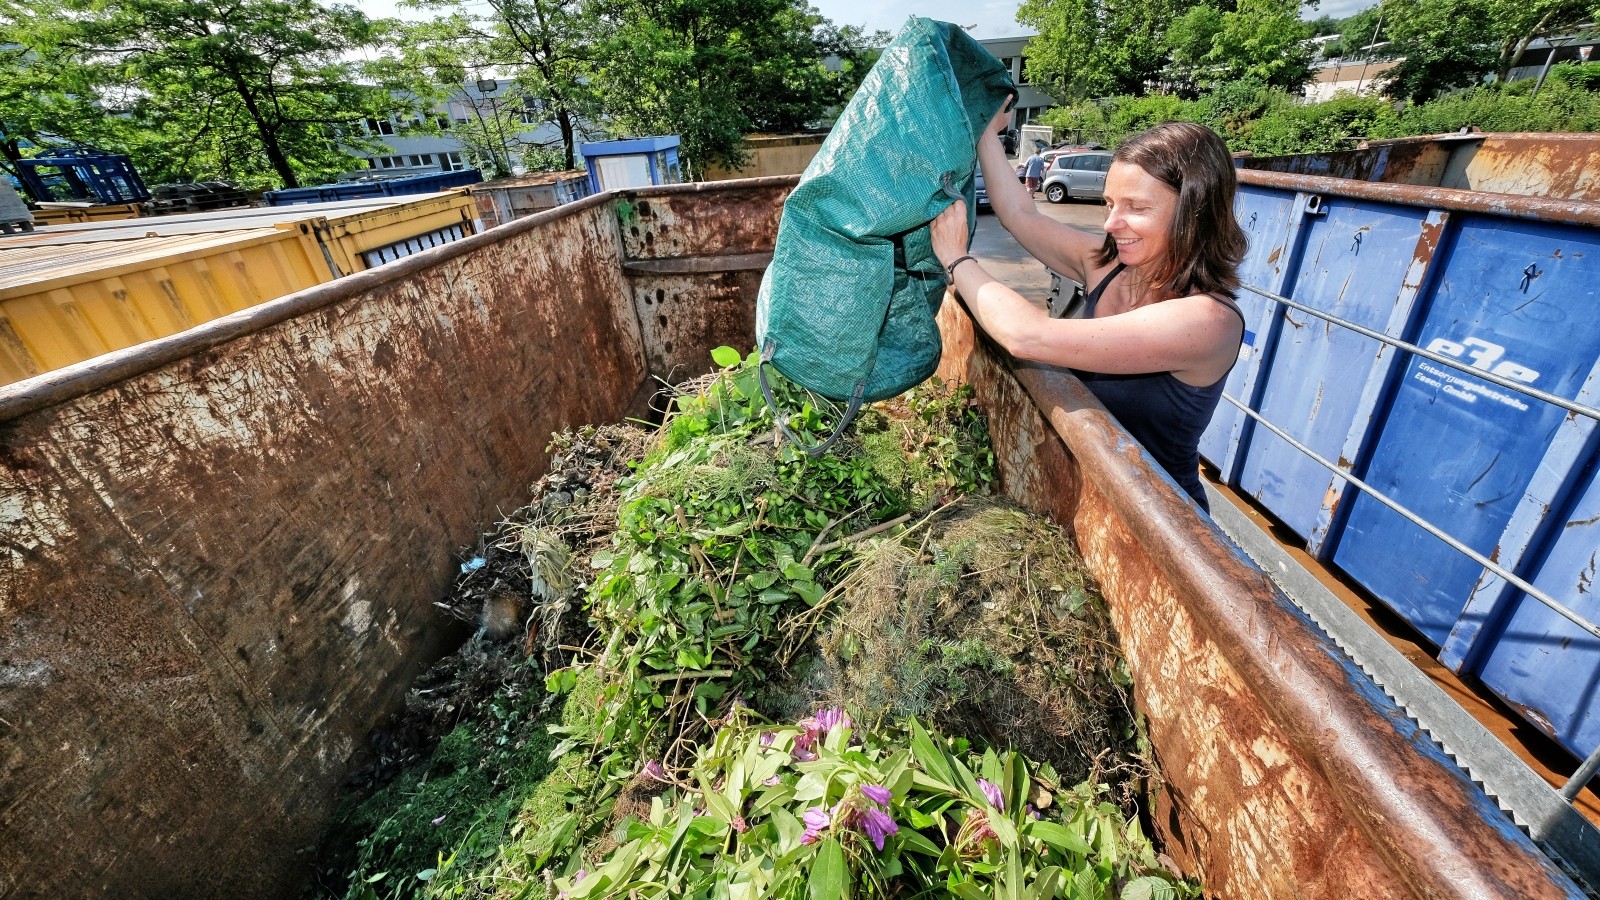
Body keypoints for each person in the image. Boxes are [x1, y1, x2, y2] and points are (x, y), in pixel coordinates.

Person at [931, 117, 1247, 511]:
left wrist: (956, 258)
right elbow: (1019, 214)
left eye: (1137, 207)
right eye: (1110, 203)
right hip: (1092, 493)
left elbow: (1028, 335)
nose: (1111, 224)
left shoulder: (1206, 322)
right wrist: (985, 130)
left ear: (1194, 212)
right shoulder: (1108, 264)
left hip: (1162, 516)